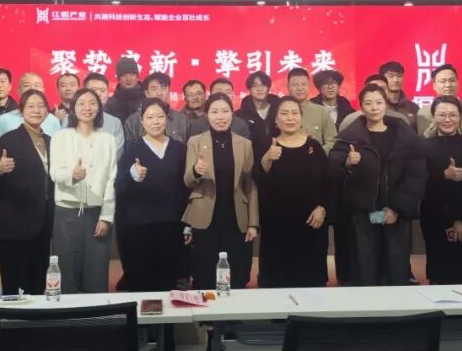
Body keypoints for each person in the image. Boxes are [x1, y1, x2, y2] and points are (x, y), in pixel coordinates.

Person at [329, 83, 427, 287]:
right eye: (368, 103)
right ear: (361, 107)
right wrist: (346, 164)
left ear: (386, 104)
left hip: (396, 215)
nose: (374, 108)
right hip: (362, 216)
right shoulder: (349, 137)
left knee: (395, 269)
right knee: (365, 270)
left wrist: (396, 207)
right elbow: (332, 170)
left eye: (378, 102)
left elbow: (415, 176)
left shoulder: (404, 135)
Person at [253, 97, 332, 288]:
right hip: (277, 227)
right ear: (275, 120)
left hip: (311, 224)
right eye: (284, 113)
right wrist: (267, 159)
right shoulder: (267, 146)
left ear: (301, 117)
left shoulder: (314, 147)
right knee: (277, 281)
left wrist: (322, 208)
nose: (290, 118)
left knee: (310, 282)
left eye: (295, 113)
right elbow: (257, 180)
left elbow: (329, 183)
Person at [184, 93, 259, 291]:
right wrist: (196, 171)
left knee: (237, 272)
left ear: (232, 114)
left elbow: (250, 185)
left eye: (225, 111)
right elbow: (188, 181)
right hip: (205, 216)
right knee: (204, 273)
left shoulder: (244, 144)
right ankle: (206, 310)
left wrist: (253, 223)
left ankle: (233, 310)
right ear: (207, 115)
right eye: (215, 112)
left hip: (236, 217)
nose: (220, 116)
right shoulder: (195, 141)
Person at [49, 88, 118, 293]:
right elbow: (55, 172)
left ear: (99, 108)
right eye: (81, 103)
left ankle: (96, 313)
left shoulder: (108, 140)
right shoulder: (60, 137)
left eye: (92, 103)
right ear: (73, 108)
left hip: (97, 213)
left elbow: (111, 179)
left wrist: (106, 217)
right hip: (67, 213)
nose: (87, 108)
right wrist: (72, 174)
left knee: (96, 274)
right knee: (66, 272)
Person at [115, 99, 188, 294]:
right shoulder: (132, 150)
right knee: (142, 282)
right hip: (139, 227)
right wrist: (133, 175)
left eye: (160, 116)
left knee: (169, 281)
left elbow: (186, 188)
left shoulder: (180, 149)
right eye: (150, 117)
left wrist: (188, 223)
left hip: (172, 226)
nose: (155, 121)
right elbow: (119, 187)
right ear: (141, 121)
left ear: (167, 119)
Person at [0, 89, 53, 298]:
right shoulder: (9, 139)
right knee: (13, 285)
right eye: (31, 106)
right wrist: (0, 169)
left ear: (47, 111)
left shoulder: (51, 141)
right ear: (21, 111)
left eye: (41, 106)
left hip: (44, 223)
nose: (36, 110)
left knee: (37, 282)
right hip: (16, 223)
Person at [420, 96, 462, 285]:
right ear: (433, 116)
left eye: (453, 115)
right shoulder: (423, 146)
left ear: (460, 117)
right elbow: (419, 182)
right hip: (435, 221)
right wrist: (444, 175)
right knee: (439, 276)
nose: (447, 119)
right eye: (442, 115)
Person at [416, 64, 462, 140]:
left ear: (458, 83)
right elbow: (422, 140)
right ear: (434, 86)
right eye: (443, 81)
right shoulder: (424, 112)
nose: (448, 85)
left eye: (452, 80)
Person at [0, 71, 61, 143]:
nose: (32, 88)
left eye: (36, 85)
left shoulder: (53, 120)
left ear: (43, 90)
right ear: (19, 91)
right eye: (26, 85)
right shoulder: (3, 120)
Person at [123, 72, 190, 144]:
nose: (159, 93)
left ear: (169, 91)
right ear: (146, 93)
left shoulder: (182, 120)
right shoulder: (133, 121)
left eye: (163, 88)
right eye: (154, 89)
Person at [285, 68, 336, 152]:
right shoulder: (280, 111)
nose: (300, 88)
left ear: (309, 86)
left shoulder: (321, 111)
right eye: (295, 84)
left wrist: (317, 152)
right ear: (288, 87)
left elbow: (333, 141)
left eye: (304, 84)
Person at [339, 74, 410, 130]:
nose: (378, 92)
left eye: (382, 88)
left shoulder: (400, 119)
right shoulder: (350, 120)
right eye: (373, 88)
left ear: (389, 91)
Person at [82, 72, 125, 158]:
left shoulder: (115, 122)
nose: (98, 94)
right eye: (93, 90)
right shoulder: (69, 119)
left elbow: (117, 152)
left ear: (108, 94)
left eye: (102, 90)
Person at [237, 70, 277, 143]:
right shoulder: (239, 115)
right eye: (255, 85)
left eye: (263, 85)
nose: (259, 89)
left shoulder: (279, 110)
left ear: (268, 88)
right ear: (249, 89)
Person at [378, 60, 419, 129]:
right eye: (391, 76)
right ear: (382, 79)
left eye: (399, 76)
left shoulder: (413, 107)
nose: (396, 80)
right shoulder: (377, 106)